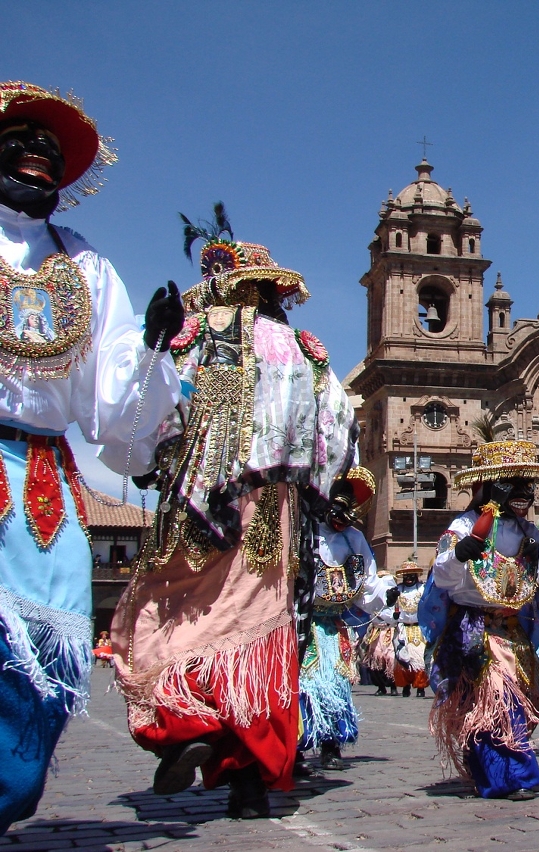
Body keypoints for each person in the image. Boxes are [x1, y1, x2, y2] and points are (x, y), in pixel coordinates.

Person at [111, 207, 357, 819]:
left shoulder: (191, 337)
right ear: (272, 289)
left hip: (196, 500)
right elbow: (338, 422)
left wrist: (151, 459)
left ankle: (187, 717)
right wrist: (313, 486)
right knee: (258, 627)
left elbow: (155, 413)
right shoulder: (302, 349)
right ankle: (250, 775)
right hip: (272, 512)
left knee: (174, 607)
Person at [0, 81, 184, 834]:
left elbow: (117, 414)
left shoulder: (88, 270)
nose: (38, 157)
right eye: (21, 143)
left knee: (46, 667)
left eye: (50, 150)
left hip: (43, 480)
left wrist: (148, 348)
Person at [426, 439, 539, 800]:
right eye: (509, 484)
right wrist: (459, 555)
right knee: (495, 704)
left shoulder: (529, 531)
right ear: (486, 487)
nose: (521, 493)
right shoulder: (463, 526)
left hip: (514, 634)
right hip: (475, 633)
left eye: (526, 485)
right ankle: (510, 777)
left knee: (517, 705)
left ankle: (492, 769)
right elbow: (443, 578)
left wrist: (538, 556)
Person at [296, 467, 387, 774]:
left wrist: (384, 599)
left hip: (335, 626)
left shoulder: (354, 539)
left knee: (336, 682)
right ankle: (297, 745)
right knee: (303, 685)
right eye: (337, 503)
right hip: (301, 625)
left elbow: (368, 579)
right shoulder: (304, 531)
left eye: (348, 506)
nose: (341, 512)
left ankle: (331, 745)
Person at [391, 561, 429, 697]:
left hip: (419, 629)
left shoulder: (422, 589)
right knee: (402, 658)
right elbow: (389, 607)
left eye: (411, 575)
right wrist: (393, 614)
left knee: (419, 659)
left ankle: (420, 687)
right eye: (406, 576)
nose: (409, 578)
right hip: (403, 630)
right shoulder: (397, 590)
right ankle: (405, 686)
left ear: (416, 576)